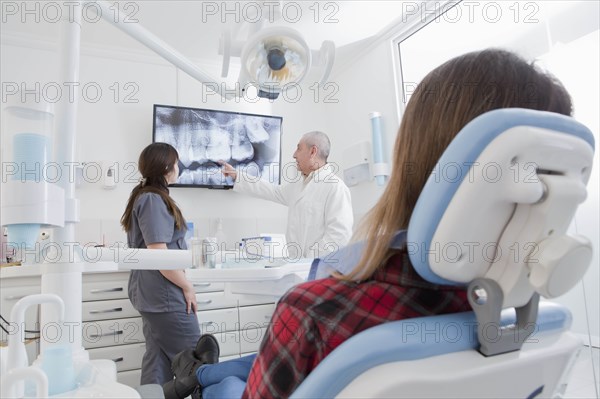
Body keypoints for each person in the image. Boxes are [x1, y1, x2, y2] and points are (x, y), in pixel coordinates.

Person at [163, 49, 574, 399]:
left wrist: (319, 278)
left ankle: (197, 377)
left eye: (298, 151)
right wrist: (241, 178)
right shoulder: (522, 322)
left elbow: (338, 239)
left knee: (244, 376)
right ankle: (197, 369)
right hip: (319, 289)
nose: (292, 157)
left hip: (315, 283)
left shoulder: (315, 307)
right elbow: (275, 194)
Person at [120, 142, 200, 385]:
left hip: (152, 294)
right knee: (196, 359)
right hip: (164, 295)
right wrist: (187, 286)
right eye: (176, 162)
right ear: (166, 166)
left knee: (157, 360)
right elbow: (159, 255)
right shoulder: (153, 200)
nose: (178, 167)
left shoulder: (147, 196)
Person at [220, 131, 353, 259]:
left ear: (313, 151)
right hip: (297, 266)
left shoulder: (335, 187)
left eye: (299, 149)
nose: (294, 155)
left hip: (318, 269)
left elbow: (340, 236)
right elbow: (272, 191)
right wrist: (237, 175)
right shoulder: (299, 186)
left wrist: (310, 260)